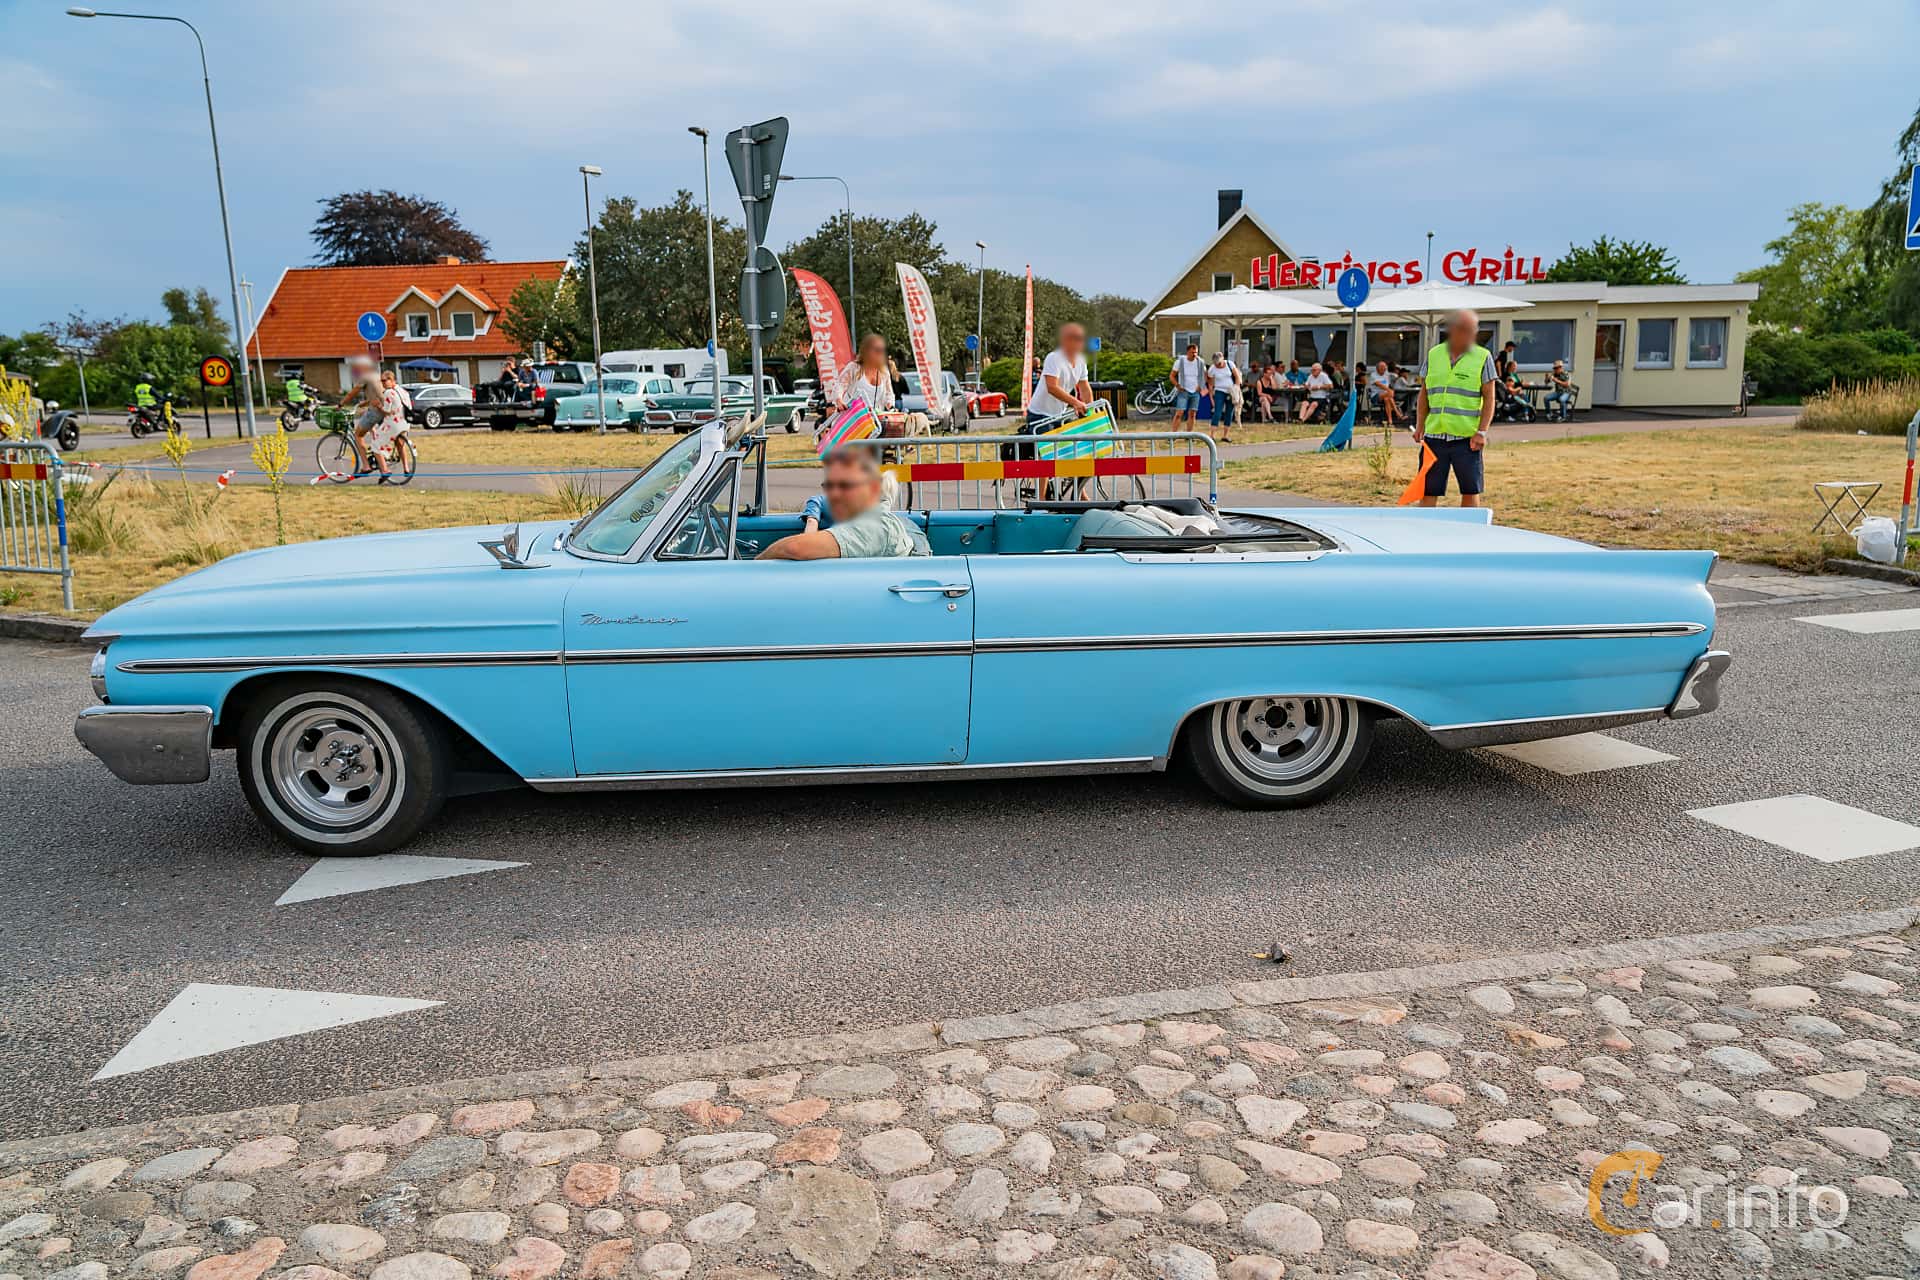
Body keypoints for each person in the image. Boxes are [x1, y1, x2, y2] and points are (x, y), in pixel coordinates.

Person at [759, 449, 928, 560]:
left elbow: (795, 548)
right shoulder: (876, 514)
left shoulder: (874, 527)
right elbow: (819, 501)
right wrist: (812, 519)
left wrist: (755, 563)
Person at [1414, 309, 1496, 508]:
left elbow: (1489, 397)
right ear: (1453, 330)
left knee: (1470, 489)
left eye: (1473, 330)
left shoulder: (1483, 357)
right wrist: (1419, 425)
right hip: (1435, 436)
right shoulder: (1434, 355)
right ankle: (1424, 531)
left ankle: (1470, 533)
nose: (1471, 334)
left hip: (1467, 439)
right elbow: (1424, 393)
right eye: (1466, 329)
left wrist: (1482, 432)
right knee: (1428, 489)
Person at [1029, 323, 1092, 426]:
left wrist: (1090, 410)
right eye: (1076, 338)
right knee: (1050, 442)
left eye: (1082, 339)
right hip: (1040, 414)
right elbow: (1052, 387)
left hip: (1059, 414)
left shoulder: (1081, 360)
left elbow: (1084, 387)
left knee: (1070, 440)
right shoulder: (1054, 358)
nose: (1080, 342)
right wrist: (1076, 403)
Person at [825, 334, 897, 415]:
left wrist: (890, 406)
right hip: (850, 417)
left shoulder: (884, 371)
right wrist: (839, 400)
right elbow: (840, 385)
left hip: (872, 420)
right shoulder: (853, 367)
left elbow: (889, 393)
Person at [1170, 341, 1205, 429]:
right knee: (1179, 413)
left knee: (1192, 414)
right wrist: (1177, 385)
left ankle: (1189, 436)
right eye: (1192, 352)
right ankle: (1173, 435)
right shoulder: (1180, 362)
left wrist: (1200, 385)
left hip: (1195, 391)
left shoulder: (1200, 362)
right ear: (1187, 352)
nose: (1194, 354)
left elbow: (1205, 375)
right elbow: (1172, 376)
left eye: (1196, 352)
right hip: (1183, 390)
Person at [1207, 351, 1240, 439]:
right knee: (1217, 412)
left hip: (1231, 391)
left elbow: (1237, 376)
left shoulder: (1230, 364)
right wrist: (1211, 395)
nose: (1218, 365)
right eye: (1216, 364)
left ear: (1223, 359)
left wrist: (1236, 388)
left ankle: (1225, 435)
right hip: (1219, 391)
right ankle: (1212, 435)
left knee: (1229, 412)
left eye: (1219, 363)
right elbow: (1210, 382)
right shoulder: (1212, 368)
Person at [1369, 360, 1399, 425]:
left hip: (1385, 396)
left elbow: (1396, 376)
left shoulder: (1386, 374)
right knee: (1389, 394)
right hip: (1375, 397)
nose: (1383, 368)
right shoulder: (1373, 375)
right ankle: (1398, 413)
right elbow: (1379, 384)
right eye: (1381, 367)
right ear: (1377, 368)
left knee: (1387, 399)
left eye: (1384, 367)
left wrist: (1396, 374)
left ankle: (1390, 421)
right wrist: (1389, 390)